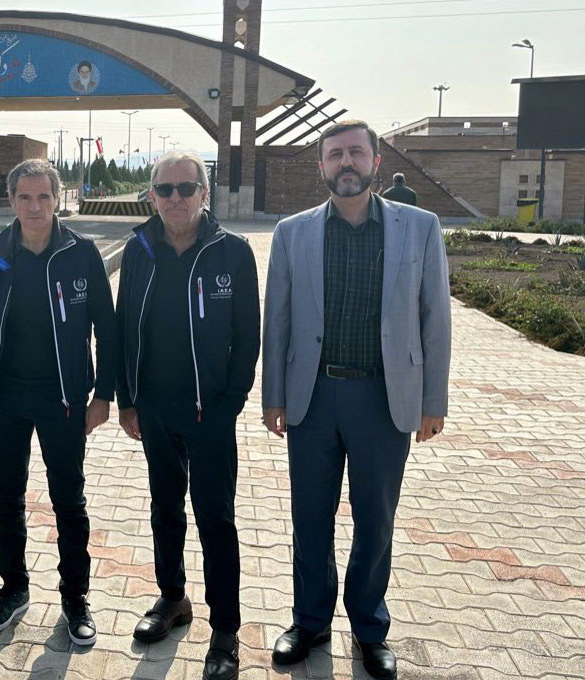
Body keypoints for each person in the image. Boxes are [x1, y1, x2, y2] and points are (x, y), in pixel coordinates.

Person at [262, 121, 451, 680]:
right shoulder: (292, 232)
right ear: (321, 166)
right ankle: (310, 620)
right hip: (313, 397)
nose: (346, 162)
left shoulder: (419, 228)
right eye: (335, 155)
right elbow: (280, 321)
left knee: (376, 520)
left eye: (356, 153)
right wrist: (274, 394)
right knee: (310, 519)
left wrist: (432, 400)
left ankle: (370, 628)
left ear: (374, 161)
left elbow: (434, 320)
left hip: (384, 399)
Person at [115, 151, 260, 680]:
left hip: (212, 412)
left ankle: (226, 630)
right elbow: (122, 322)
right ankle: (173, 598)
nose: (174, 198)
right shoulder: (139, 249)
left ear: (205, 193)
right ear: (151, 195)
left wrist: (231, 405)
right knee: (164, 509)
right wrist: (126, 397)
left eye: (185, 188)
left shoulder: (232, 253)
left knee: (216, 518)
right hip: (154, 408)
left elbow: (248, 338)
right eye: (164, 189)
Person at [0, 159, 117, 646]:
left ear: (58, 200)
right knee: (5, 498)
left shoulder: (81, 252)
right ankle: (13, 588)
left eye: (44, 197)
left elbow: (107, 328)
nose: (35, 207)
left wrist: (104, 395)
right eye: (25, 198)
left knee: (68, 501)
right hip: (7, 398)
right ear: (11, 201)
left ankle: (76, 598)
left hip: (65, 400)